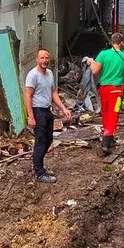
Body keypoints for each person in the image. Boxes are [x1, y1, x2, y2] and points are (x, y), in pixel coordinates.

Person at [24, 49, 72, 183]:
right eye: (42, 58)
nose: (44, 60)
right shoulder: (33, 75)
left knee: (49, 139)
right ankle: (39, 173)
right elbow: (28, 95)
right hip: (37, 110)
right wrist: (31, 116)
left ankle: (38, 165)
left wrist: (63, 108)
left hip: (47, 110)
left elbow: (53, 93)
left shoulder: (50, 73)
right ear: (37, 59)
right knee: (40, 142)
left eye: (46, 58)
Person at [89, 32, 124, 156]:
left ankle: (109, 136)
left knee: (105, 113)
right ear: (121, 43)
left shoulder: (103, 54)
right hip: (116, 91)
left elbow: (95, 71)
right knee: (113, 115)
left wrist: (91, 62)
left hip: (104, 89)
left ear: (111, 42)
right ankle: (106, 142)